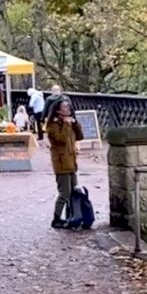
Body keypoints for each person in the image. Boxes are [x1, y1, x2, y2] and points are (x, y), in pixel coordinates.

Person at [47, 98, 84, 229]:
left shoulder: (69, 124)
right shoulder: (52, 125)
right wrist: (67, 125)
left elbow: (80, 136)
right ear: (58, 110)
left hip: (71, 161)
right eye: (65, 108)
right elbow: (61, 139)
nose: (68, 110)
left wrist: (75, 124)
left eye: (69, 108)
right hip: (61, 162)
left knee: (74, 190)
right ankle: (56, 219)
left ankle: (72, 215)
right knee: (64, 193)